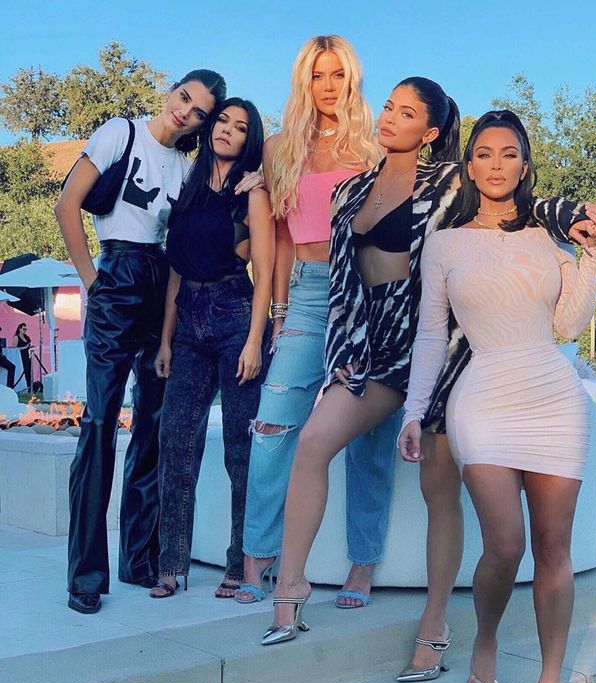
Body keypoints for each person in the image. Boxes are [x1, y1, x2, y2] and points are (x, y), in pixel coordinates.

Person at [261, 77, 596, 647]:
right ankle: (290, 588)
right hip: (373, 347)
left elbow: (517, 198)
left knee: (438, 487)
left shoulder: (450, 181)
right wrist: (343, 352)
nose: (389, 117)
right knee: (313, 442)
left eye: (406, 113)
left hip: (442, 346)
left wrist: (570, 212)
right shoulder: (348, 191)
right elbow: (343, 284)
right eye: (389, 107)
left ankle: (434, 622)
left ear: (429, 132)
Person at [399, 110, 596, 683]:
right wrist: (414, 412)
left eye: (508, 153)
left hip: (553, 397)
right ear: (469, 165)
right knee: (506, 544)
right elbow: (431, 335)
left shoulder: (549, 239)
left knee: (554, 547)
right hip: (483, 397)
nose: (496, 164)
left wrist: (591, 254)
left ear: (524, 163)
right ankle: (485, 641)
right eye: (484, 153)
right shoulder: (445, 243)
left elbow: (567, 325)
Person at [55, 69, 244, 615]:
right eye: (184, 97)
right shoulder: (122, 133)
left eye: (200, 112)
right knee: (99, 423)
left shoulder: (186, 169)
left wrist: (253, 182)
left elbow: (199, 228)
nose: (186, 111)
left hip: (162, 285)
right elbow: (68, 205)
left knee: (153, 426)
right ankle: (86, 575)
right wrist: (93, 283)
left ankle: (139, 559)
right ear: (172, 91)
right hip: (115, 273)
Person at [238, 35, 399, 609]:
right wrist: (279, 313)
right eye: (317, 76)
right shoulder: (279, 148)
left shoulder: (373, 148)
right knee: (273, 423)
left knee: (368, 431)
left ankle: (362, 563)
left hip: (366, 292)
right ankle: (257, 557)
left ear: (351, 80)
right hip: (306, 292)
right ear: (303, 82)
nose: (328, 86)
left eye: (337, 75)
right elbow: (281, 239)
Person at [149, 98, 274, 599]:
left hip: (235, 313)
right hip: (188, 323)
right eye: (222, 120)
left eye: (240, 127)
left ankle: (239, 564)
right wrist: (165, 338)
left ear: (249, 139)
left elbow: (264, 271)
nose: (227, 130)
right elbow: (176, 270)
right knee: (176, 439)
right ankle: (172, 564)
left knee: (240, 449)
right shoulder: (189, 188)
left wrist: (254, 340)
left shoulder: (252, 193)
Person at [12, 323, 32, 390]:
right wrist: (25, 347)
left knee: (28, 372)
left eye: (26, 329)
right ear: (20, 329)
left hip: (27, 356)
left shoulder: (27, 337)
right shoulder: (16, 337)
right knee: (21, 371)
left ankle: (29, 386)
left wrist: (29, 347)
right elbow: (14, 348)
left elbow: (28, 345)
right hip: (20, 356)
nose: (25, 330)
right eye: (24, 329)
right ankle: (21, 386)